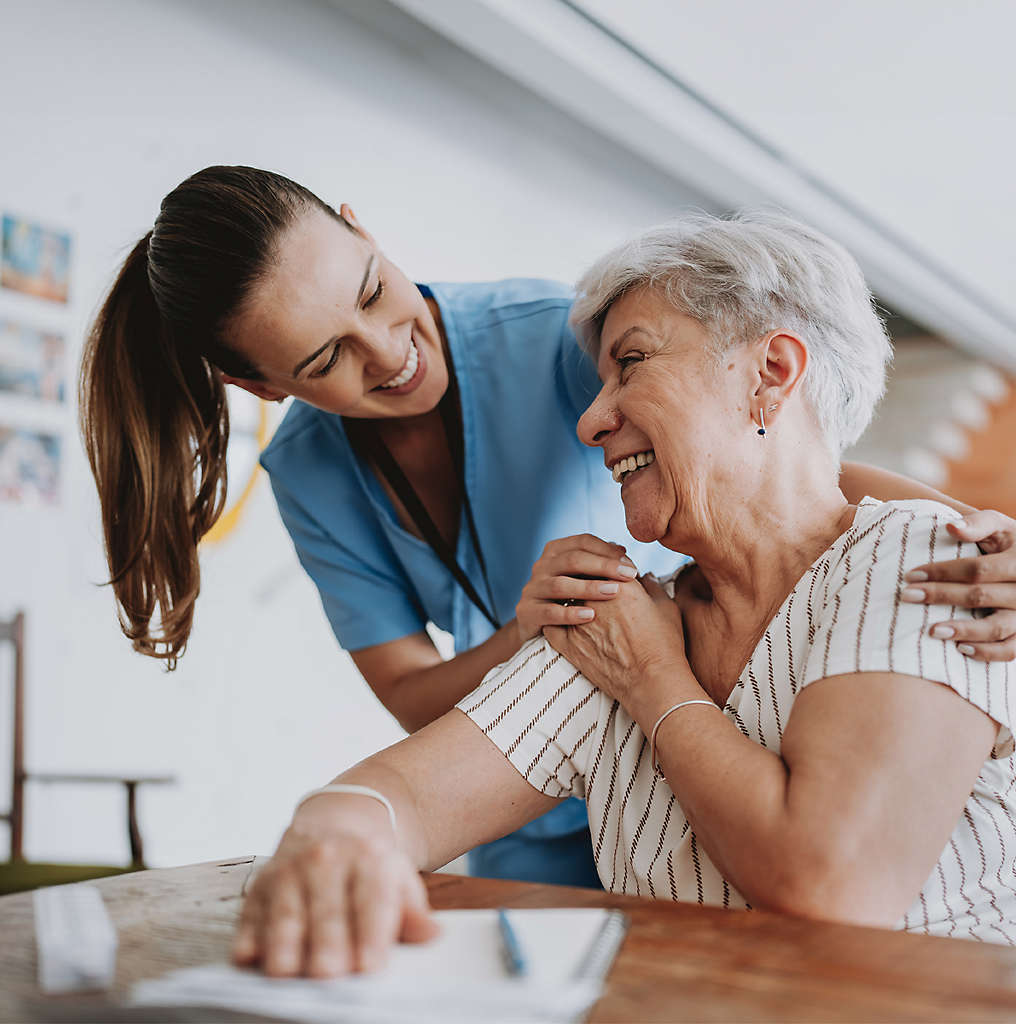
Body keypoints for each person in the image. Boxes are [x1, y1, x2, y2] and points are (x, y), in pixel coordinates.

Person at [80, 166, 1016, 889]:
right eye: (327, 356)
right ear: (265, 388)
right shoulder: (312, 472)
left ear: (363, 230)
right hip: (547, 770)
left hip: (685, 726)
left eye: (371, 291)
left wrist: (959, 529)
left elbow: (748, 456)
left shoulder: (547, 337)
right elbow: (410, 712)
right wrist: (541, 636)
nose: (390, 353)